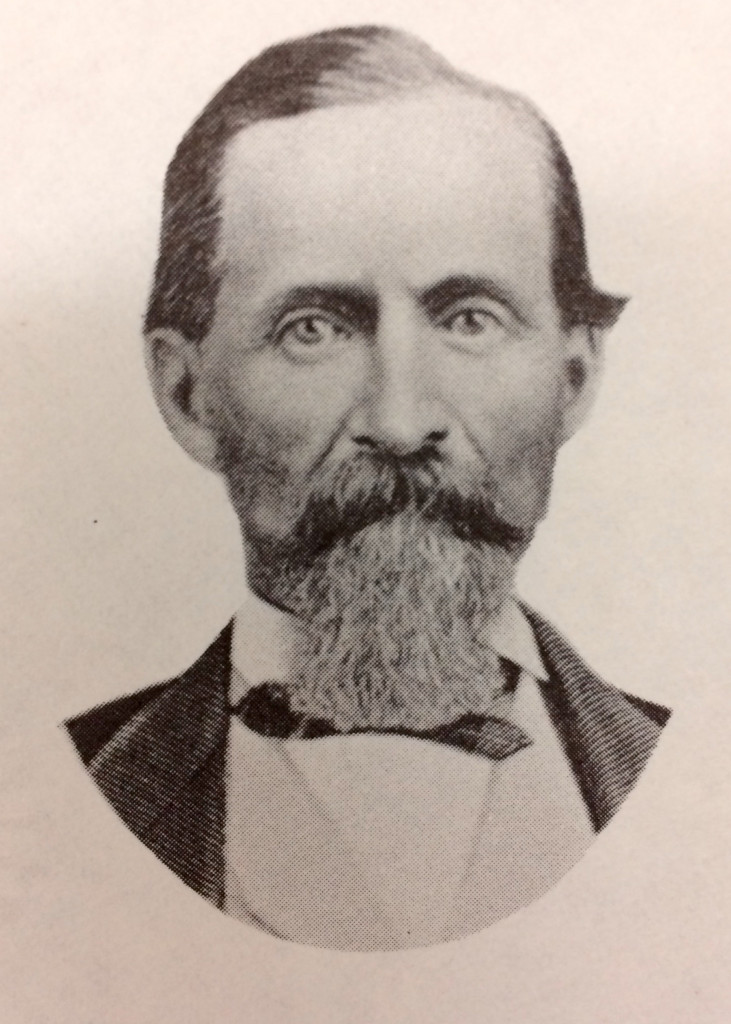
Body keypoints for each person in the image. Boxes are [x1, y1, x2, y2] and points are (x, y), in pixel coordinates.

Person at [64, 24, 671, 951]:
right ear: (187, 396)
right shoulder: (60, 791)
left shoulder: (682, 779)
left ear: (574, 377)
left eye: (469, 319)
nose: (398, 419)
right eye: (312, 328)